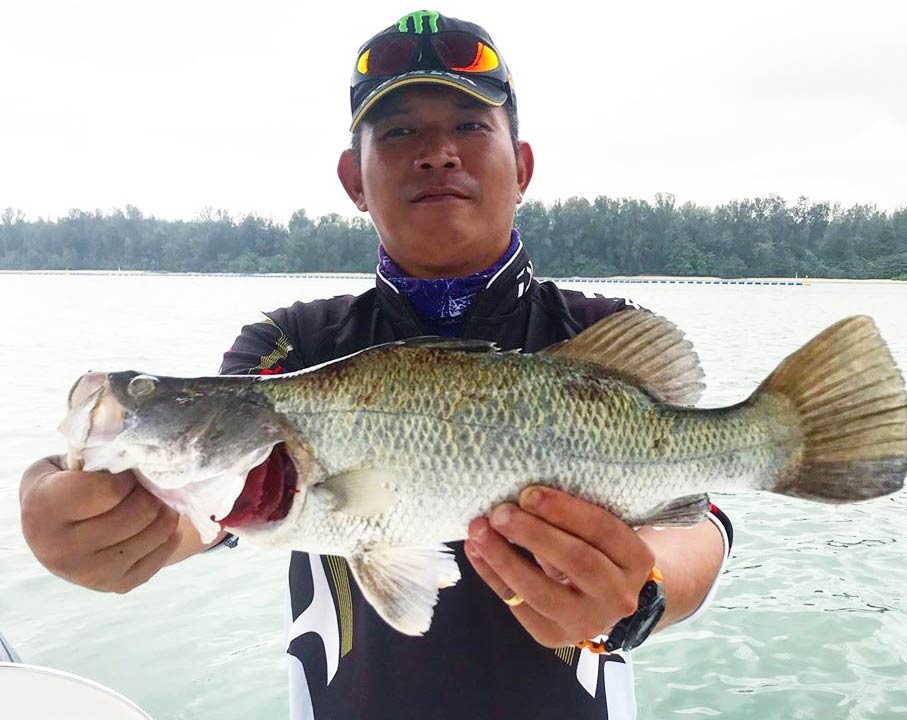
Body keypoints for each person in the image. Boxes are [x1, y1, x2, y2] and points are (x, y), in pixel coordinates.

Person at [20, 11, 733, 719]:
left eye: (470, 125)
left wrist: (648, 591)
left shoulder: (600, 335)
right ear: (352, 179)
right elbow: (213, 514)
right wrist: (113, 530)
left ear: (522, 169)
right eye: (397, 132)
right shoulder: (289, 348)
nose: (437, 152)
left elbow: (702, 515)